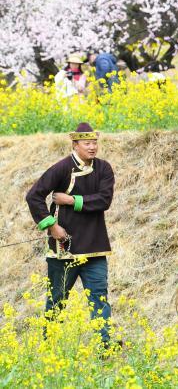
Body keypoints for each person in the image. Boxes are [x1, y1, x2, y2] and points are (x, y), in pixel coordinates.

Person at [25, 122, 116, 345]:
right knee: (56, 300)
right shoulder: (62, 168)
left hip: (95, 247)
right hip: (64, 249)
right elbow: (34, 196)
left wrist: (71, 200)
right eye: (87, 143)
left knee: (99, 298)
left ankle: (104, 346)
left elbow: (104, 200)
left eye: (94, 143)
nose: (92, 147)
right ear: (75, 144)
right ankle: (49, 346)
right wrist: (52, 227)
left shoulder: (104, 168)